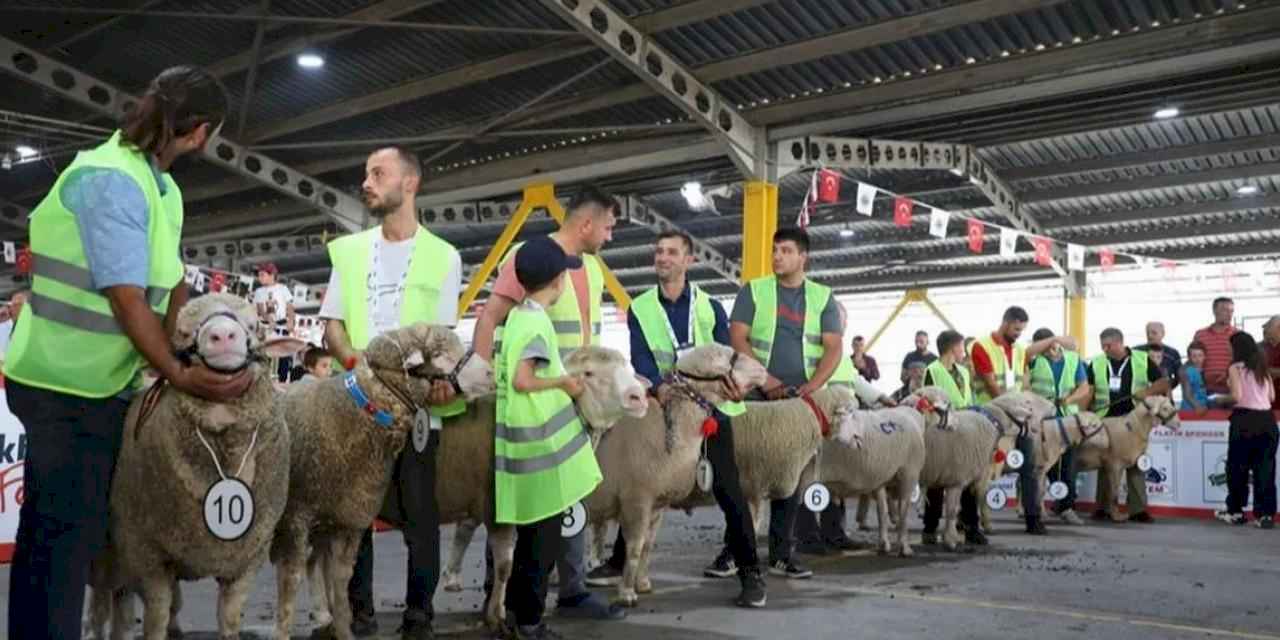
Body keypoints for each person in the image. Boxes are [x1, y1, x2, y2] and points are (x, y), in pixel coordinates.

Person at [2, 66, 249, 640]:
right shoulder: (109, 178)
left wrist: (185, 342)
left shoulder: (160, 187)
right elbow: (125, 294)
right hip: (62, 383)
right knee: (67, 537)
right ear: (201, 133)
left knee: (54, 530)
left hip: (99, 383)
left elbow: (173, 282)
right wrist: (179, 374)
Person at [319, 145, 463, 639]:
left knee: (421, 517)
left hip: (417, 412)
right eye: (365, 174)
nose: (367, 182)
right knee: (351, 517)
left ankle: (418, 616)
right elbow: (333, 329)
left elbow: (442, 340)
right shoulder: (350, 251)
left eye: (378, 173)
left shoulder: (444, 256)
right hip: (356, 408)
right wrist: (361, 369)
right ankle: (357, 616)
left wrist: (422, 385)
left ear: (410, 183)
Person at [587, 230, 765, 607]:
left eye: (671, 252)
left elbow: (724, 355)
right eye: (658, 252)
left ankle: (751, 572)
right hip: (664, 407)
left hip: (711, 411)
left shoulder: (710, 306)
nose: (662, 258)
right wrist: (658, 387)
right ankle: (621, 562)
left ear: (689, 260)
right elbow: (642, 357)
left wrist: (733, 387)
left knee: (730, 490)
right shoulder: (641, 307)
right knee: (641, 479)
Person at [472, 185, 624, 621]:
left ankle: (572, 589)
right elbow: (490, 316)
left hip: (571, 401)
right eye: (609, 227)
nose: (610, 237)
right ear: (587, 223)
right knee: (521, 496)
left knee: (568, 494)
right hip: (535, 401)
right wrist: (482, 380)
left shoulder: (592, 269)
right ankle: (496, 590)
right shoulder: (529, 256)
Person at [496, 235, 603, 640]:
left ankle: (513, 615)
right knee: (542, 545)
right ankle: (530, 622)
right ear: (558, 281)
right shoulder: (536, 321)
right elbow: (525, 380)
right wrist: (567, 383)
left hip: (524, 445)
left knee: (528, 542)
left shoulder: (516, 317)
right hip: (541, 447)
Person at [729, 227, 843, 580]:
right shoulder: (754, 290)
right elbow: (737, 336)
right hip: (753, 392)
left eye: (786, 250)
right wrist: (766, 379)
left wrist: (812, 387)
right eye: (775, 249)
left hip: (799, 402)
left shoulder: (823, 297)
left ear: (802, 257)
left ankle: (781, 553)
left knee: (789, 477)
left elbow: (833, 348)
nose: (777, 256)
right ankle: (732, 552)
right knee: (741, 474)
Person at [795, 300, 895, 556]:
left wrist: (882, 397)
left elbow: (855, 381)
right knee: (809, 480)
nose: (842, 325)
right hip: (818, 425)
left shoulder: (838, 352)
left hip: (841, 426)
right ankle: (806, 536)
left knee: (834, 483)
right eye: (838, 320)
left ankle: (834, 534)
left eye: (843, 321)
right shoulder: (812, 348)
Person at [968, 306, 1070, 535]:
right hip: (990, 420)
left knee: (1031, 467)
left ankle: (1033, 518)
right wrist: (1016, 410)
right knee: (979, 470)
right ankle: (972, 522)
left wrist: (1026, 410)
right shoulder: (981, 346)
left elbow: (1024, 385)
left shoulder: (1020, 351)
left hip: (1019, 420)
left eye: (1021, 330)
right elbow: (991, 386)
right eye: (1016, 329)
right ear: (1005, 322)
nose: (1018, 334)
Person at [1089, 327, 1170, 524]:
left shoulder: (1142, 358)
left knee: (1135, 462)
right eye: (1102, 346)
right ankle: (1103, 508)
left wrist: (1147, 391)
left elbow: (1163, 382)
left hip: (1135, 421)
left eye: (1108, 345)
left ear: (1120, 342)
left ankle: (1138, 509)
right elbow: (1089, 390)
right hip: (1106, 419)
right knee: (1105, 462)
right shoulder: (1097, 362)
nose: (1105, 349)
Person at [919, 330, 982, 544]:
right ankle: (930, 527)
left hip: (965, 430)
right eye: (961, 346)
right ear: (951, 348)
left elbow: (969, 398)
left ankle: (971, 525)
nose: (964, 351)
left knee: (966, 478)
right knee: (937, 478)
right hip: (941, 431)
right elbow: (925, 399)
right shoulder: (932, 371)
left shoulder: (964, 372)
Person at [1027, 328, 1092, 525]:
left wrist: (1069, 399)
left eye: (1053, 344)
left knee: (1069, 464)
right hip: (1042, 418)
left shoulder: (1073, 359)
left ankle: (1067, 507)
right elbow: (1029, 352)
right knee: (1043, 465)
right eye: (1045, 345)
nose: (1050, 348)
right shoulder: (1034, 360)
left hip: (1066, 419)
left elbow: (1084, 387)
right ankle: (1037, 506)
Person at [1213, 332, 1277, 529]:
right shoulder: (1262, 368)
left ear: (1237, 348)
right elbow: (1272, 396)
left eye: (1230, 346)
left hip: (1244, 420)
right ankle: (1265, 515)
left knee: (1237, 468)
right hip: (1267, 421)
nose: (1228, 349)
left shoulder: (1235, 367)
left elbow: (1237, 396)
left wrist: (1220, 399)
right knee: (1265, 469)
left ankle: (1236, 511)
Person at [252, 262, 296, 382]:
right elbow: (260, 310)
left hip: (281, 323)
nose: (260, 278)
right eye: (259, 275)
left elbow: (290, 306)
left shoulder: (283, 289)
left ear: (272, 275)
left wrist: (291, 320)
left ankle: (283, 379)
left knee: (284, 353)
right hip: (266, 326)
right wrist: (268, 318)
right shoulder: (259, 291)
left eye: (262, 275)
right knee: (265, 353)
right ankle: (263, 379)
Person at [1193, 297, 1238, 395]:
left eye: (1231, 311)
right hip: (1206, 390)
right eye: (1225, 310)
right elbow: (1193, 360)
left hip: (1233, 390)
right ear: (1214, 311)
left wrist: (1228, 375)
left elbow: (1245, 362)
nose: (1229, 314)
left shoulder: (1238, 335)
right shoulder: (1200, 335)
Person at [1136, 321, 1182, 390]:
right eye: (1147, 333)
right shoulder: (1136, 352)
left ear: (1163, 334)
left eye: (1154, 333)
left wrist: (1167, 387)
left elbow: (1179, 376)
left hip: (1164, 395)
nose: (1150, 336)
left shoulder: (1172, 353)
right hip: (1139, 394)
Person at [1180, 341, 1211, 414]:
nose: (1197, 359)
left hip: (1202, 408)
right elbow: (1187, 394)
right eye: (1194, 356)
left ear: (1205, 356)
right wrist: (1198, 407)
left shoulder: (1203, 371)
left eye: (1200, 355)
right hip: (1190, 410)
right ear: (1189, 357)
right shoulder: (1188, 372)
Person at [1262, 316, 1280, 411]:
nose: (1266, 329)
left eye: (1269, 326)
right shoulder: (1261, 347)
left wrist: (1273, 372)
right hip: (1264, 401)